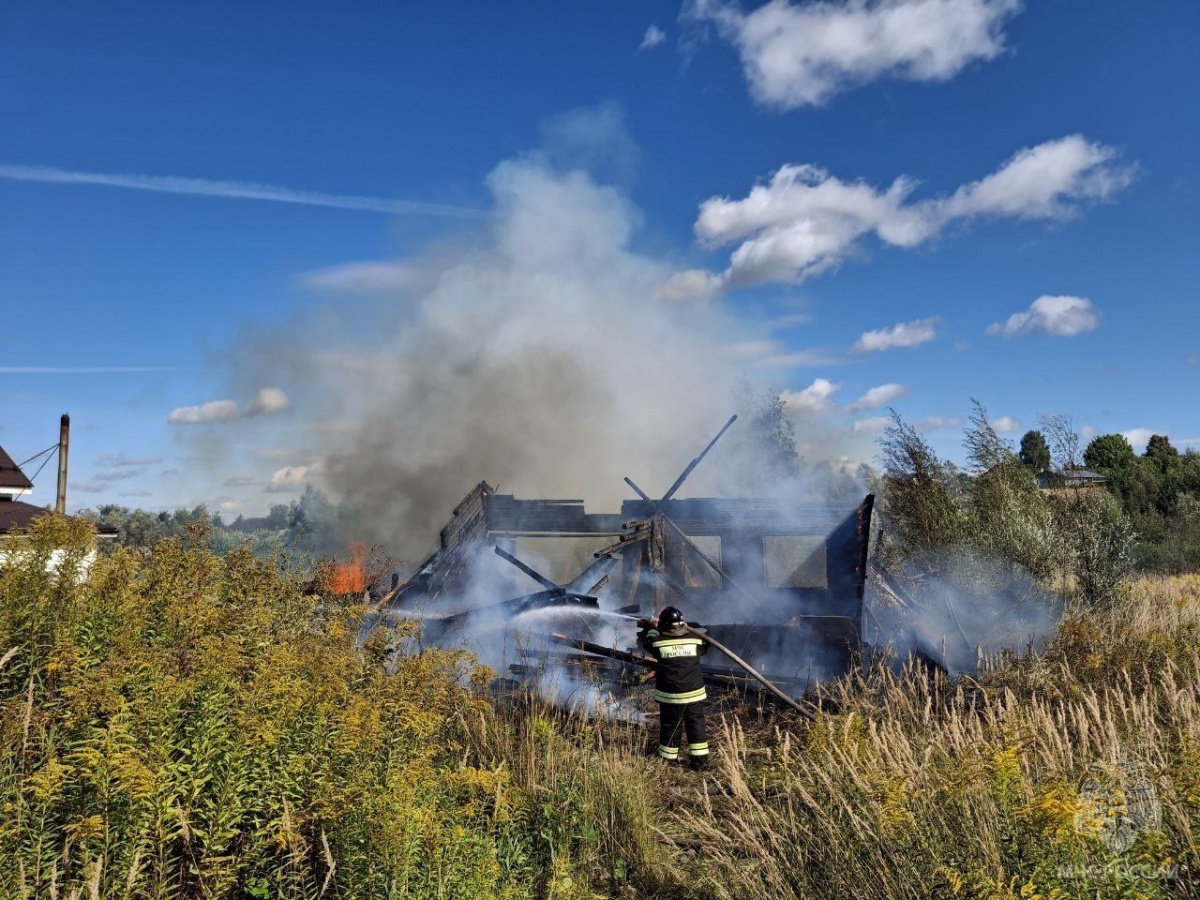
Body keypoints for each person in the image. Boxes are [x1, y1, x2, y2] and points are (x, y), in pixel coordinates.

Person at [638, 606, 710, 770]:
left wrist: (652, 626)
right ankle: (700, 763)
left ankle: (668, 761)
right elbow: (704, 647)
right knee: (696, 726)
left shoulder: (659, 643)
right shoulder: (696, 640)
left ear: (664, 625)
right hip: (694, 693)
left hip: (671, 695)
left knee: (671, 726)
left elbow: (649, 642)